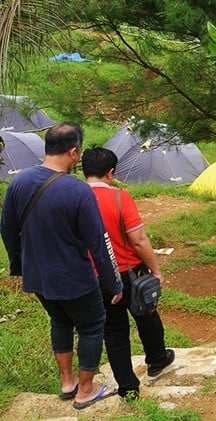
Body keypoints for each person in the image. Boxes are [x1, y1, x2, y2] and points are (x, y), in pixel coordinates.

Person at [1, 122, 123, 410]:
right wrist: (113, 282)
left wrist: (18, 266)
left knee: (60, 321)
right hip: (75, 277)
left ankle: (68, 383)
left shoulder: (18, 182)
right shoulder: (79, 191)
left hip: (38, 277)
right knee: (92, 326)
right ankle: (86, 390)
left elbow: (7, 229)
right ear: (74, 152)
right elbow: (98, 242)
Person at [81, 147, 174, 400]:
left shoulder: (73, 198)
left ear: (83, 170)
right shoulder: (121, 198)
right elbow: (138, 240)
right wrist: (156, 270)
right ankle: (157, 359)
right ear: (111, 173)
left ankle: (128, 387)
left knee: (113, 331)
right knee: (147, 316)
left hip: (94, 278)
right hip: (129, 273)